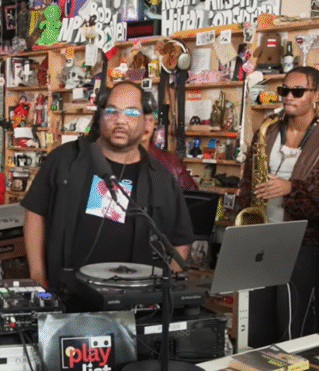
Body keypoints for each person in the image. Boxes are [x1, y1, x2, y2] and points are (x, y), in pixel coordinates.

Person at [22, 80, 194, 296]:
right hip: (64, 295)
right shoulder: (65, 159)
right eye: (111, 111)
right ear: (100, 116)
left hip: (130, 302)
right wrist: (37, 275)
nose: (120, 120)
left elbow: (180, 242)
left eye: (131, 113)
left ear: (147, 123)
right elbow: (34, 213)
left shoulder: (161, 179)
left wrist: (163, 296)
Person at [235, 66, 319, 346]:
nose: (288, 97)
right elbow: (248, 183)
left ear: (317, 96)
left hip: (305, 245)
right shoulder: (267, 130)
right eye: (284, 90)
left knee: (294, 327)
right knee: (255, 326)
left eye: (297, 91)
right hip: (261, 239)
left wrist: (291, 189)